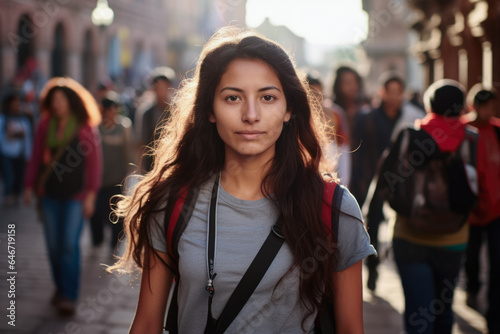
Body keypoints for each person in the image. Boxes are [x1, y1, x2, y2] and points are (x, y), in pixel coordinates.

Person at [108, 27, 376, 333]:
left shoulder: (334, 209)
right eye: (233, 98)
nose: (251, 114)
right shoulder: (173, 203)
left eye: (268, 97)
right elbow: (145, 324)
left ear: (289, 109)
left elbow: (351, 329)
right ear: (210, 109)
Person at [366, 79, 476, 334]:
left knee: (418, 317)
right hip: (454, 239)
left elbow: (383, 185)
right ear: (461, 107)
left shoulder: (408, 135)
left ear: (429, 105)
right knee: (444, 314)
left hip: (409, 237)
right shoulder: (471, 139)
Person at [23, 77, 102, 316]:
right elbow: (35, 157)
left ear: (72, 101)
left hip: (75, 196)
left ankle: (68, 294)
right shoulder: (45, 125)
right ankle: (60, 287)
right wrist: (28, 186)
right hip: (49, 194)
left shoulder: (85, 127)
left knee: (68, 244)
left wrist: (90, 196)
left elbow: (94, 165)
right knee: (53, 247)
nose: (57, 104)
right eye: (53, 100)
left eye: (61, 99)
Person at [350, 73, 424, 291]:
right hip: (374, 182)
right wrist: (358, 184)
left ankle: (399, 264)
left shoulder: (411, 118)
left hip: (402, 183)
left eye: (398, 92)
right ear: (382, 93)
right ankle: (373, 267)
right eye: (389, 92)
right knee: (371, 225)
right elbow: (358, 155)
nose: (393, 97)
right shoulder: (367, 118)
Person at [463, 88, 500, 333]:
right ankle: (472, 289)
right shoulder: (464, 131)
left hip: (497, 208)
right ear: (473, 106)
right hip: (470, 209)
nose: (487, 112)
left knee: (496, 261)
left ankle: (494, 313)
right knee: (472, 256)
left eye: (491, 107)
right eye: (483, 107)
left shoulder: (497, 129)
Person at [90, 91, 134, 253]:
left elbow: (128, 151)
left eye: (115, 108)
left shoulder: (124, 126)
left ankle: (115, 242)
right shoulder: (96, 127)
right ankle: (97, 239)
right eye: (110, 108)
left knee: (117, 212)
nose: (113, 112)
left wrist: (129, 172)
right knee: (96, 211)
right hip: (98, 179)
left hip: (117, 177)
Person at [307, 71, 351, 186]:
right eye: (311, 94)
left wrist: (343, 183)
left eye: (318, 93)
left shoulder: (335, 114)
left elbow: (343, 149)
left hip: (331, 176)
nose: (315, 98)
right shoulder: (296, 116)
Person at [134, 66, 176, 173]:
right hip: (151, 164)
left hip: (174, 163)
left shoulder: (178, 110)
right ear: (153, 89)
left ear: (169, 87)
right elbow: (141, 142)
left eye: (164, 87)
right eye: (158, 87)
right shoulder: (146, 113)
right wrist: (140, 168)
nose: (161, 91)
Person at [0, 93, 32, 207]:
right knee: (9, 176)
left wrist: (28, 154)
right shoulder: (4, 119)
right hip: (6, 153)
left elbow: (27, 138)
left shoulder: (24, 120)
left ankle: (15, 196)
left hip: (20, 154)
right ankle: (7, 196)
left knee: (19, 176)